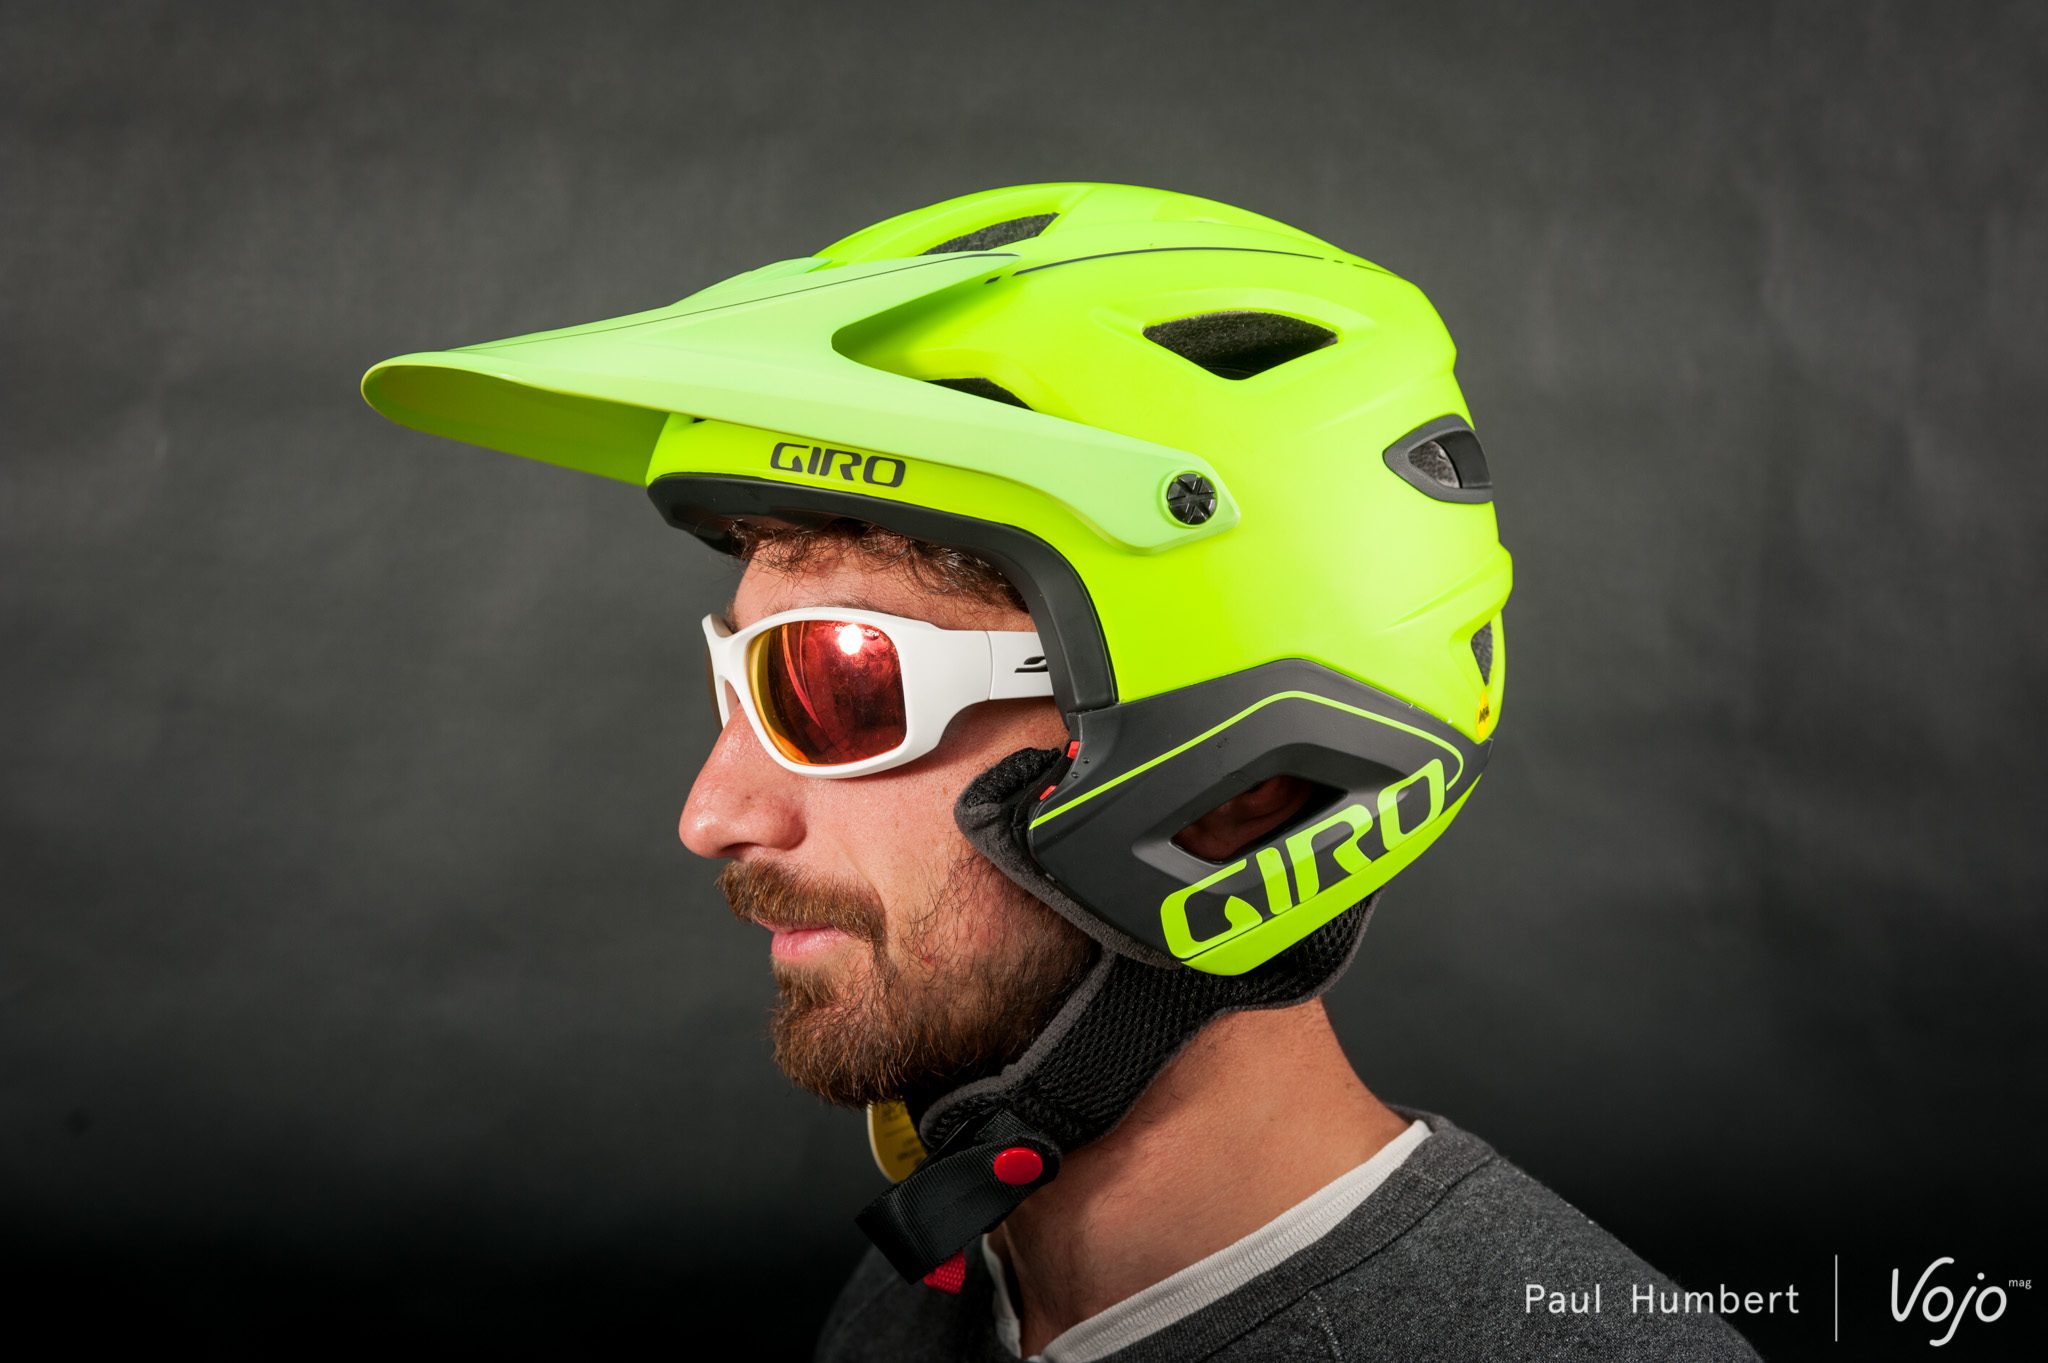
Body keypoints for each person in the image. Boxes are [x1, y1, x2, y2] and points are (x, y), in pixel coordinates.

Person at [363, 182, 1761, 1361]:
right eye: (740, 681)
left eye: (836, 684)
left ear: (1245, 788)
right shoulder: (929, 1301)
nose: (714, 813)